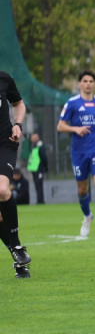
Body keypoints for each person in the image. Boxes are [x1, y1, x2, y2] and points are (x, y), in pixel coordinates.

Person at [57, 70, 95, 238]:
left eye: (91, 81)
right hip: (79, 152)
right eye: (85, 81)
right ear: (79, 84)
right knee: (83, 190)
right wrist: (75, 129)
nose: (88, 84)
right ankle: (87, 216)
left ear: (94, 84)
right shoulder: (72, 103)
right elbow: (60, 126)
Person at [0, 71, 32, 278]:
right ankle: (17, 255)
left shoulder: (4, 78)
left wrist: (18, 125)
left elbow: (19, 104)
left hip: (5, 144)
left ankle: (17, 245)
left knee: (2, 189)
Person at [26, 131, 48, 204]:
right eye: (33, 137)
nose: (34, 139)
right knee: (36, 185)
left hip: (39, 168)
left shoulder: (40, 146)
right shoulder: (32, 146)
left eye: (35, 137)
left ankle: (41, 201)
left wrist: (45, 167)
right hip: (34, 168)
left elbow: (44, 157)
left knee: (39, 185)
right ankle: (39, 200)